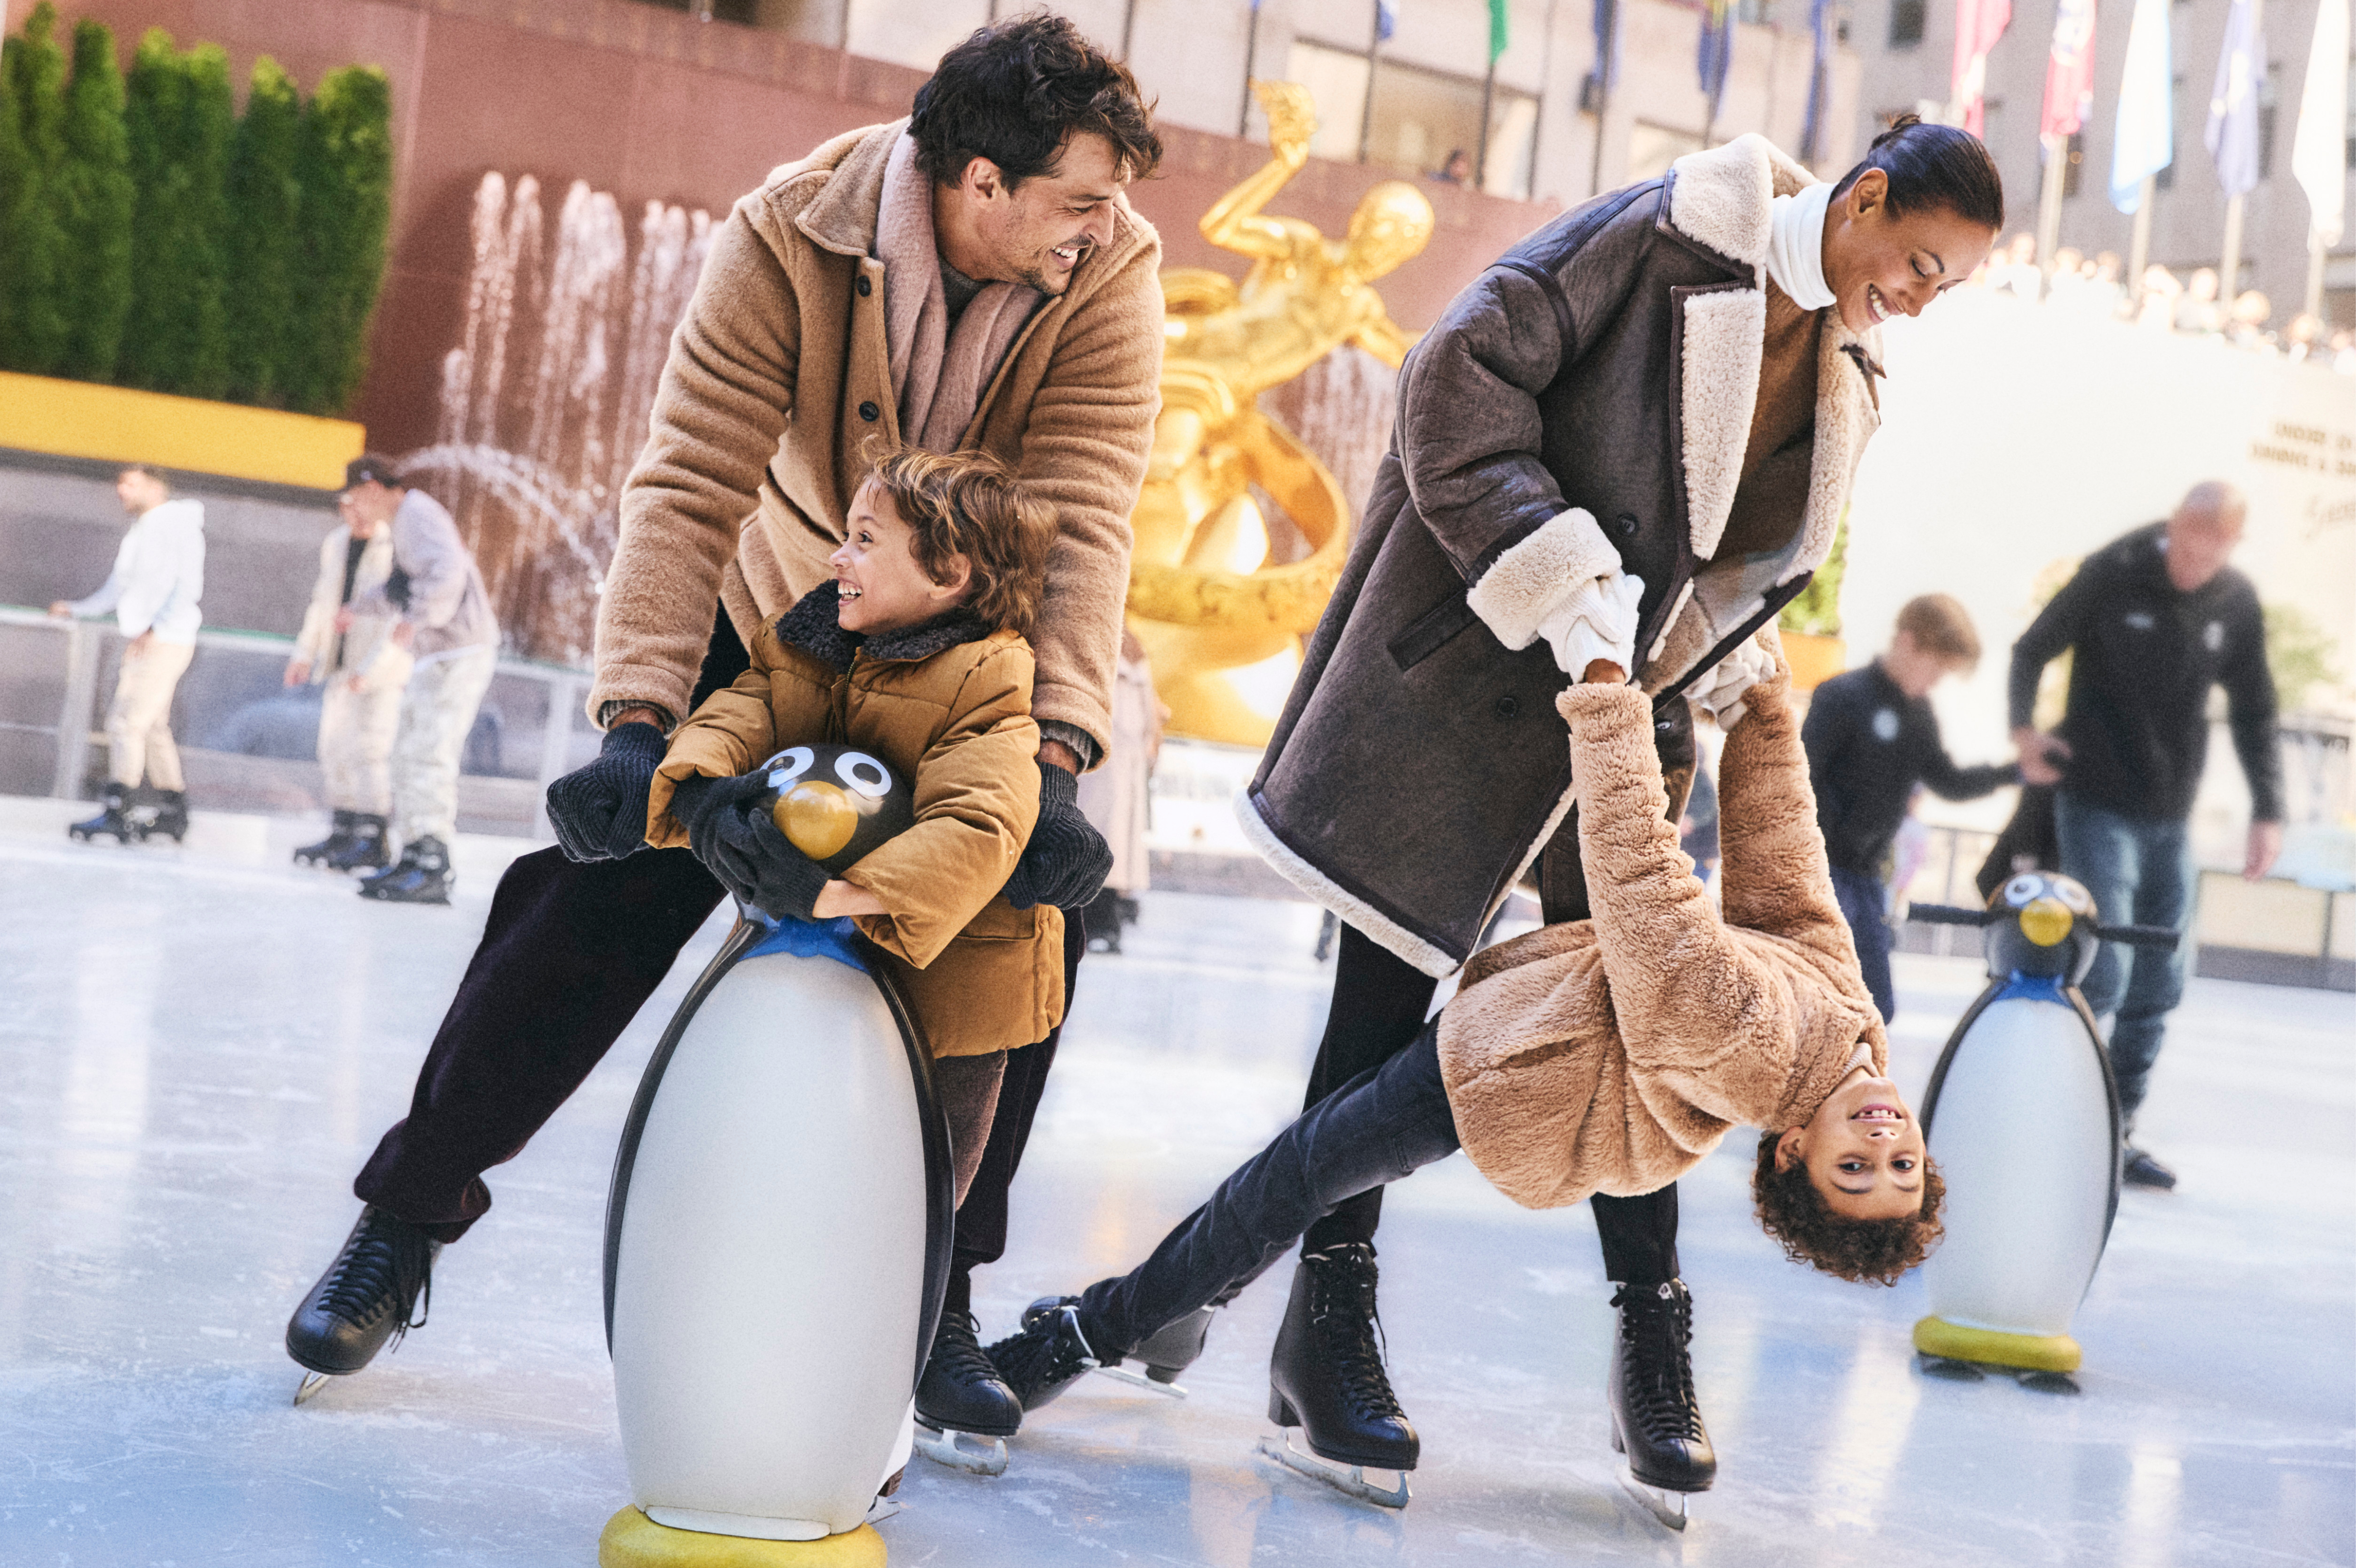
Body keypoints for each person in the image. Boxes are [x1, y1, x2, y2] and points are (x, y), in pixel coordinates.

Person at [283, 16, 1164, 1447]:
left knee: (1010, 921)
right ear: (977, 183)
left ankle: (936, 1296)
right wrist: (641, 720)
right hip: (778, 610)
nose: (1101, 226)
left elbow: (1083, 515)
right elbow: (691, 478)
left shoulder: (1110, 270)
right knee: (595, 897)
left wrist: (1056, 752)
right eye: (1074, 197)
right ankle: (409, 1210)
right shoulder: (789, 231)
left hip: (971, 654)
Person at [1217, 116, 2002, 1502]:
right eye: (1920, 262)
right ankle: (1318, 1331)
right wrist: (1554, 569)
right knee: (1376, 1007)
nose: (1922, 300)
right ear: (1864, 197)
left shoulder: (1848, 359)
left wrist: (1717, 641)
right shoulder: (1650, 239)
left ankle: (1652, 1346)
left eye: (1948, 285)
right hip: (1465, 687)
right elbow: (1449, 379)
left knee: (1656, 1036)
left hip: (1616, 728)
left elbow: (1736, 550)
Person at [988, 661, 1943, 1496]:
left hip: (1512, 1074)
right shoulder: (1850, 1030)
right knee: (1308, 1171)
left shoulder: (1760, 1048)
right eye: (1898, 1164)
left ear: (1790, 1149)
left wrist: (1608, 698)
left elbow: (1646, 893)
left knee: (1301, 1172)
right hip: (1569, 1058)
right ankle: (1173, 1316)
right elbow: (1784, 865)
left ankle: (1085, 1332)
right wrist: (1765, 709)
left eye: (1850, 1171)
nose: (1877, 1144)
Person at [646, 447, 1060, 1206]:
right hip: (820, 964)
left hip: (952, 998)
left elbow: (980, 822)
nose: (838, 555)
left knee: (913, 1194)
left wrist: (828, 894)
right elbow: (750, 706)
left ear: (946, 574)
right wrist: (701, 789)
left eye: (865, 540)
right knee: (789, 1161)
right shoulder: (810, 639)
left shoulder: (988, 679)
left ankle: (915, 1307)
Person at [2009, 482, 2280, 1192]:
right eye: (2185, 548)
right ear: (2171, 529)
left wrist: (2267, 811)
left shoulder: (2234, 602)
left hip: (2168, 816)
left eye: (2209, 554)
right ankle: (2053, 1117)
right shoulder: (2114, 568)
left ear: (2229, 547)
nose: (2192, 566)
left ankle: (2115, 1128)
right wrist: (2021, 731)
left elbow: (2255, 710)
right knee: (2104, 970)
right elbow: (2031, 647)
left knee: (2159, 980)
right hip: (2093, 799)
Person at [1803, 594, 2018, 1021]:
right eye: (1935, 667)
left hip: (1867, 879)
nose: (1936, 681)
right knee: (1818, 1001)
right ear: (1907, 642)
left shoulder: (1919, 714)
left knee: (1876, 1008)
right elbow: (1800, 781)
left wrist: (2016, 773)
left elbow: (1949, 781)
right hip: (1820, 873)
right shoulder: (1841, 697)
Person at [324, 457, 500, 905]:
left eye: (357, 494)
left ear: (377, 487)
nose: (355, 504)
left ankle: (431, 863)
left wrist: (419, 620)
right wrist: (359, 608)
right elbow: (399, 587)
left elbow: (447, 572)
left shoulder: (417, 514)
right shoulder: (406, 523)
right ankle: (414, 851)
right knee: (406, 753)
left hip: (457, 652)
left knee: (427, 754)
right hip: (439, 654)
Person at [51, 465, 206, 844]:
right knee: (152, 727)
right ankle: (173, 809)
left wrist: (153, 625)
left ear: (155, 487)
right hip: (153, 635)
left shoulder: (171, 526)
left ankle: (121, 808)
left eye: (131, 484)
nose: (122, 490)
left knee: (126, 720)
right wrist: (81, 609)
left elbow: (181, 581)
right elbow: (122, 585)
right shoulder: (147, 528)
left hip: (162, 638)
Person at [286, 484, 409, 873]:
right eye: (347, 505)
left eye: (360, 503)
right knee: (334, 749)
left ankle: (373, 838)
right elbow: (323, 602)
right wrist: (305, 654)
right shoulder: (337, 543)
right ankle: (344, 830)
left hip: (379, 672)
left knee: (369, 752)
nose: (354, 513)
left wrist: (374, 669)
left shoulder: (396, 545)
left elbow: (401, 617)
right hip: (339, 666)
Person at [1076, 627, 1162, 952]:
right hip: (1106, 756)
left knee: (1112, 839)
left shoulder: (1131, 647)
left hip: (1120, 759)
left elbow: (1148, 714)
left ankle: (1104, 923)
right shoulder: (1118, 643)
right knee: (1104, 836)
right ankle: (1102, 923)